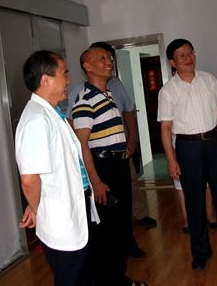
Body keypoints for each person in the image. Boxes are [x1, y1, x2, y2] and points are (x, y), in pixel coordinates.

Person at [158, 39, 217, 270]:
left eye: (190, 53)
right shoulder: (167, 91)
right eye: (182, 55)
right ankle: (200, 253)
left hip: (214, 142)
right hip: (187, 148)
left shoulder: (208, 80)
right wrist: (171, 158)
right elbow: (166, 127)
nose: (188, 58)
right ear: (172, 62)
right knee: (194, 201)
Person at [15, 51, 99, 286]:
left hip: (73, 208)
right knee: (71, 277)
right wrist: (35, 207)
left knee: (84, 276)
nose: (68, 80)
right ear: (46, 80)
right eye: (64, 74)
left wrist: (34, 204)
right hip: (61, 218)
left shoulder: (51, 113)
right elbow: (29, 179)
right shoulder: (36, 120)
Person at [66, 42, 156, 259]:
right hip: (103, 165)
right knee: (108, 221)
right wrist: (96, 181)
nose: (109, 62)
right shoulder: (84, 100)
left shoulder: (107, 94)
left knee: (122, 213)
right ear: (88, 67)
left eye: (109, 58)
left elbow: (128, 113)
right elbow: (82, 144)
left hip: (119, 162)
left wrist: (130, 142)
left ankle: (121, 262)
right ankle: (111, 271)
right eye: (102, 59)